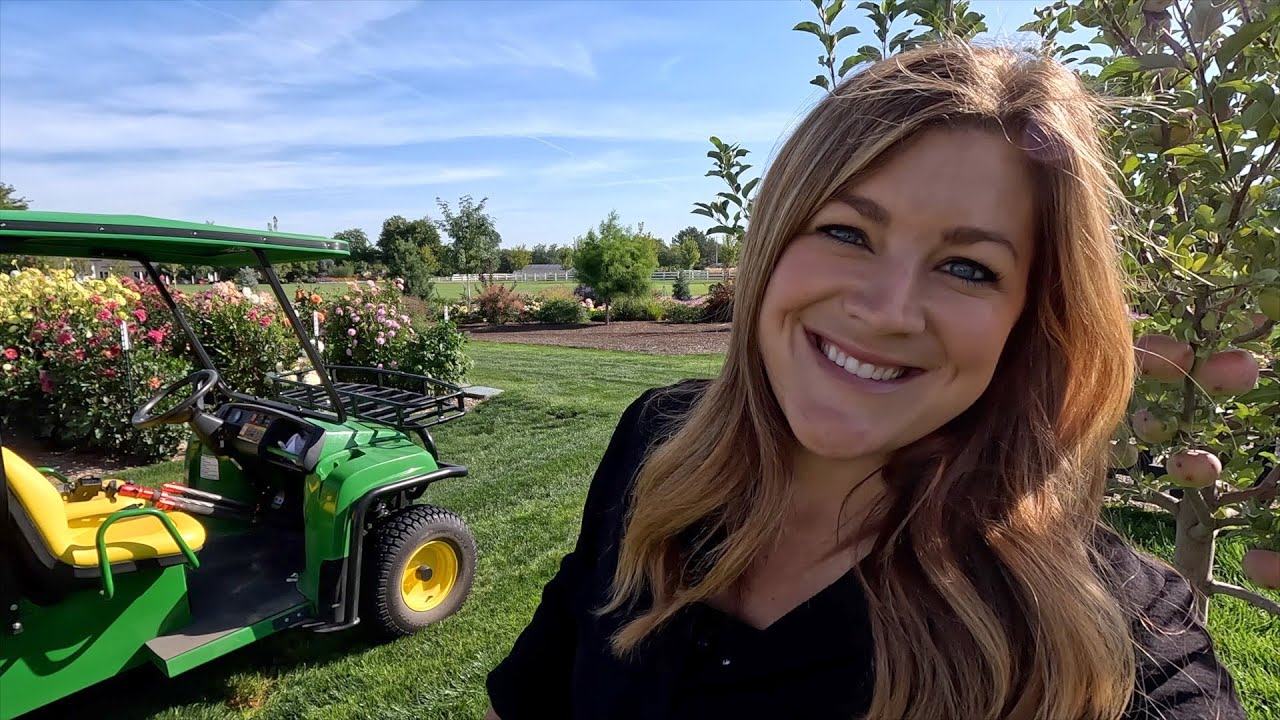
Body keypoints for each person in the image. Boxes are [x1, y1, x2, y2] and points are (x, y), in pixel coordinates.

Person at [483, 40, 1247, 720]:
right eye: (847, 232)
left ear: (1030, 318)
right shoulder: (658, 443)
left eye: (967, 268)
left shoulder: (1107, 629)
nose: (887, 312)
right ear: (774, 241)